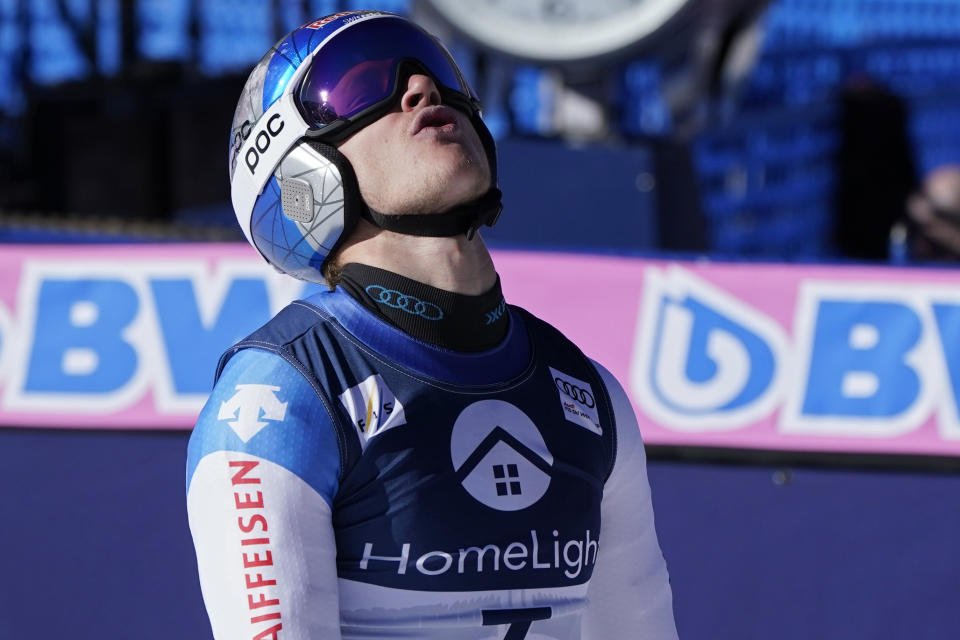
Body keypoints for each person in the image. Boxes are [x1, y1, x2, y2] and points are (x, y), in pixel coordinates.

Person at [186, 10, 677, 640]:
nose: (422, 88)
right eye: (362, 87)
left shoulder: (589, 394)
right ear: (303, 175)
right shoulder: (277, 400)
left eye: (435, 71)